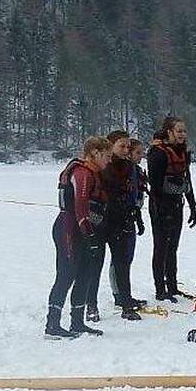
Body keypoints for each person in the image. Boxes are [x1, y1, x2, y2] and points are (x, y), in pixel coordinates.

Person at [44, 136, 111, 338]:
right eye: (107, 156)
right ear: (95, 153)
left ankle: (77, 322)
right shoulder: (83, 173)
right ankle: (52, 325)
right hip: (69, 229)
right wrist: (89, 235)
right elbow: (80, 208)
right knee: (66, 274)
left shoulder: (95, 173)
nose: (109, 160)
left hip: (84, 230)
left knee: (85, 274)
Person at [147, 115, 196, 302]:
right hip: (160, 207)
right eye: (179, 131)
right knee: (161, 247)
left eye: (184, 131)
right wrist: (162, 210)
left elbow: (187, 179)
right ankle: (160, 289)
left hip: (177, 205)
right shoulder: (157, 153)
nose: (182, 134)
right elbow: (155, 185)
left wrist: (192, 205)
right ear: (169, 132)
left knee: (173, 248)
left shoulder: (183, 152)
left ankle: (173, 286)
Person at [97, 131, 147, 320]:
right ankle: (92, 306)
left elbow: (133, 195)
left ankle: (126, 303)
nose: (127, 151)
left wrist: (136, 216)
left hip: (125, 220)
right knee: (96, 265)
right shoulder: (103, 167)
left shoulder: (130, 168)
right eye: (122, 147)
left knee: (123, 262)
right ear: (111, 146)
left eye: (128, 147)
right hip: (105, 222)